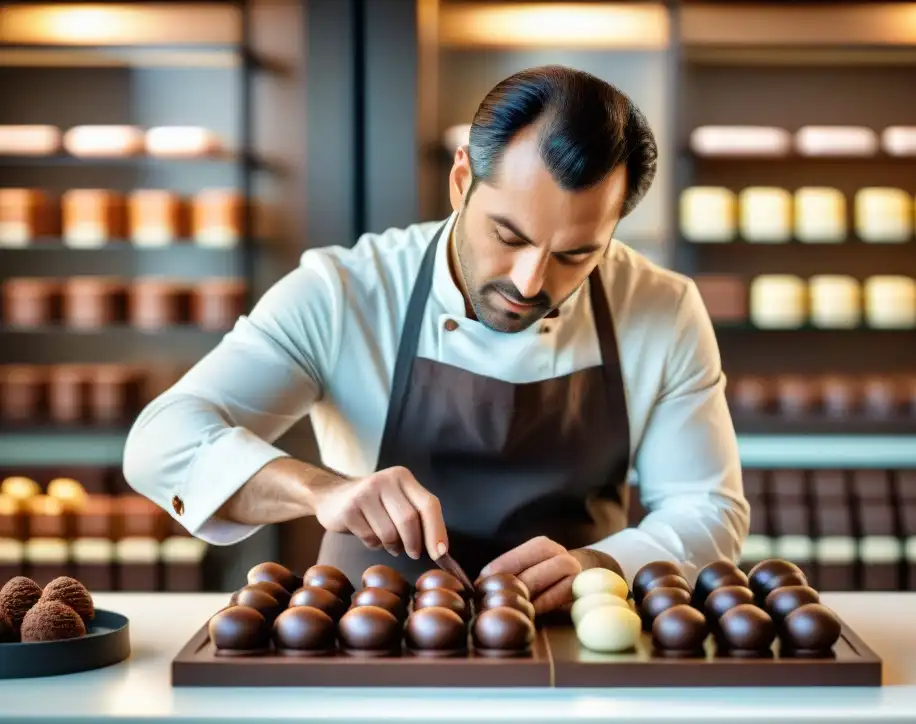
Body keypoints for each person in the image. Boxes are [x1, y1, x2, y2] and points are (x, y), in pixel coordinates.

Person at [123, 65, 748, 615]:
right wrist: (322, 491)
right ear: (460, 182)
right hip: (368, 639)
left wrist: (602, 566)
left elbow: (709, 509)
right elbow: (161, 442)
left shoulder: (662, 308)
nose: (530, 281)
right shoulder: (344, 292)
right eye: (508, 235)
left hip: (577, 635)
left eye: (576, 254)